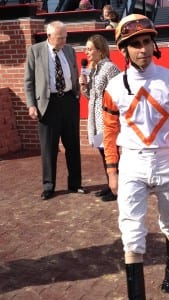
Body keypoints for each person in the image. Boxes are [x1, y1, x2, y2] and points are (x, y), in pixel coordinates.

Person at [102, 14, 169, 298]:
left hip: (167, 161)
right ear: (124, 50)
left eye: (146, 42)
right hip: (131, 161)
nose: (142, 49)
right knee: (131, 232)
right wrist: (111, 171)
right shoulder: (114, 87)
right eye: (135, 44)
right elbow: (109, 132)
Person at [24, 21, 86, 200]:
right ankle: (48, 186)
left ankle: (75, 184)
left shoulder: (69, 50)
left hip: (68, 101)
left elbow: (72, 73)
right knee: (49, 148)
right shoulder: (35, 51)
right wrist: (31, 104)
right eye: (60, 37)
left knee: (73, 146)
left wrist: (77, 91)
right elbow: (28, 81)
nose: (64, 40)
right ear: (49, 36)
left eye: (65, 36)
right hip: (47, 105)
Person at [79, 34, 120, 201]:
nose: (86, 52)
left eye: (89, 49)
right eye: (86, 49)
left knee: (111, 152)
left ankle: (118, 188)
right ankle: (110, 183)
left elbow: (118, 93)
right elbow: (90, 95)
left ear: (99, 50)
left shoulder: (110, 68)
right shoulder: (92, 68)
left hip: (107, 119)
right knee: (103, 152)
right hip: (95, 121)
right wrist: (83, 85)